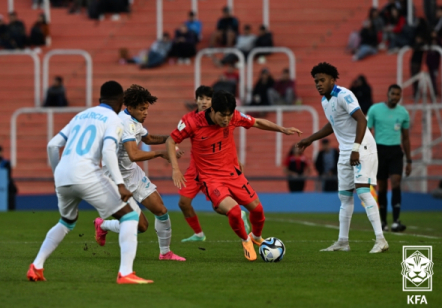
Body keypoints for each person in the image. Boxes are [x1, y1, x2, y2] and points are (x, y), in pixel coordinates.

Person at [27, 81, 152, 284]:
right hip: (87, 173)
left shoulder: (81, 115)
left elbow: (53, 145)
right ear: (121, 101)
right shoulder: (114, 119)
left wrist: (57, 172)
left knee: (66, 222)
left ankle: (37, 266)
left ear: (99, 99)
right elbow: (107, 151)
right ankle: (126, 273)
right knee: (129, 216)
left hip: (63, 174)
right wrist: (120, 184)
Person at [166, 90, 302, 261]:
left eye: (229, 116)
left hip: (233, 174)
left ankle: (257, 237)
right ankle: (245, 240)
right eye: (223, 115)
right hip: (211, 179)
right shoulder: (192, 122)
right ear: (212, 110)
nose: (226, 120)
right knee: (235, 212)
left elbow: (257, 122)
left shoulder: (234, 116)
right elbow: (171, 140)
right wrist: (175, 169)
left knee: (258, 211)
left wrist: (282, 129)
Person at [296, 62, 389, 253]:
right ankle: (343, 242)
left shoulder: (344, 95)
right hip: (347, 149)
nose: (318, 84)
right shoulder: (325, 101)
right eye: (316, 81)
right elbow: (333, 125)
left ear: (332, 79)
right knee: (344, 196)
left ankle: (381, 240)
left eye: (322, 80)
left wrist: (355, 148)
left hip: (361, 145)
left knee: (363, 191)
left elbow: (362, 119)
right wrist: (311, 139)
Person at [94, 84, 186, 261]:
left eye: (147, 109)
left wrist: (171, 139)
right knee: (141, 226)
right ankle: (103, 225)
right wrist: (162, 153)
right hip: (115, 179)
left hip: (132, 173)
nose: (146, 113)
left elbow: (148, 138)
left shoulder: (134, 120)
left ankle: (165, 253)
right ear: (130, 107)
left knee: (161, 210)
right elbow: (134, 154)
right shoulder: (124, 123)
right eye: (142, 109)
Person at [177, 86, 250, 242]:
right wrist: (174, 147)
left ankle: (238, 213)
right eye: (201, 98)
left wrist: (235, 161)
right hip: (194, 169)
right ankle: (199, 234)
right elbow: (174, 137)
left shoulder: (221, 119)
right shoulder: (189, 119)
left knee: (217, 207)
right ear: (195, 100)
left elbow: (226, 142)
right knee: (183, 203)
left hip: (213, 171)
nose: (204, 102)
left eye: (208, 99)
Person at [367, 84, 411, 232]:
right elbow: (367, 132)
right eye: (393, 94)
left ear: (400, 96)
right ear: (388, 93)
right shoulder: (375, 110)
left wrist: (409, 160)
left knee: (396, 182)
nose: (395, 97)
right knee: (382, 186)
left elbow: (405, 138)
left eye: (398, 95)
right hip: (379, 150)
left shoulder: (403, 113)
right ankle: (383, 221)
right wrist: (366, 153)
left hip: (395, 151)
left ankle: (396, 221)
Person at [0, 146, 17, 211]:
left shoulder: (6, 162)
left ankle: (10, 209)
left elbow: (8, 174)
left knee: (9, 196)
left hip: (4, 183)